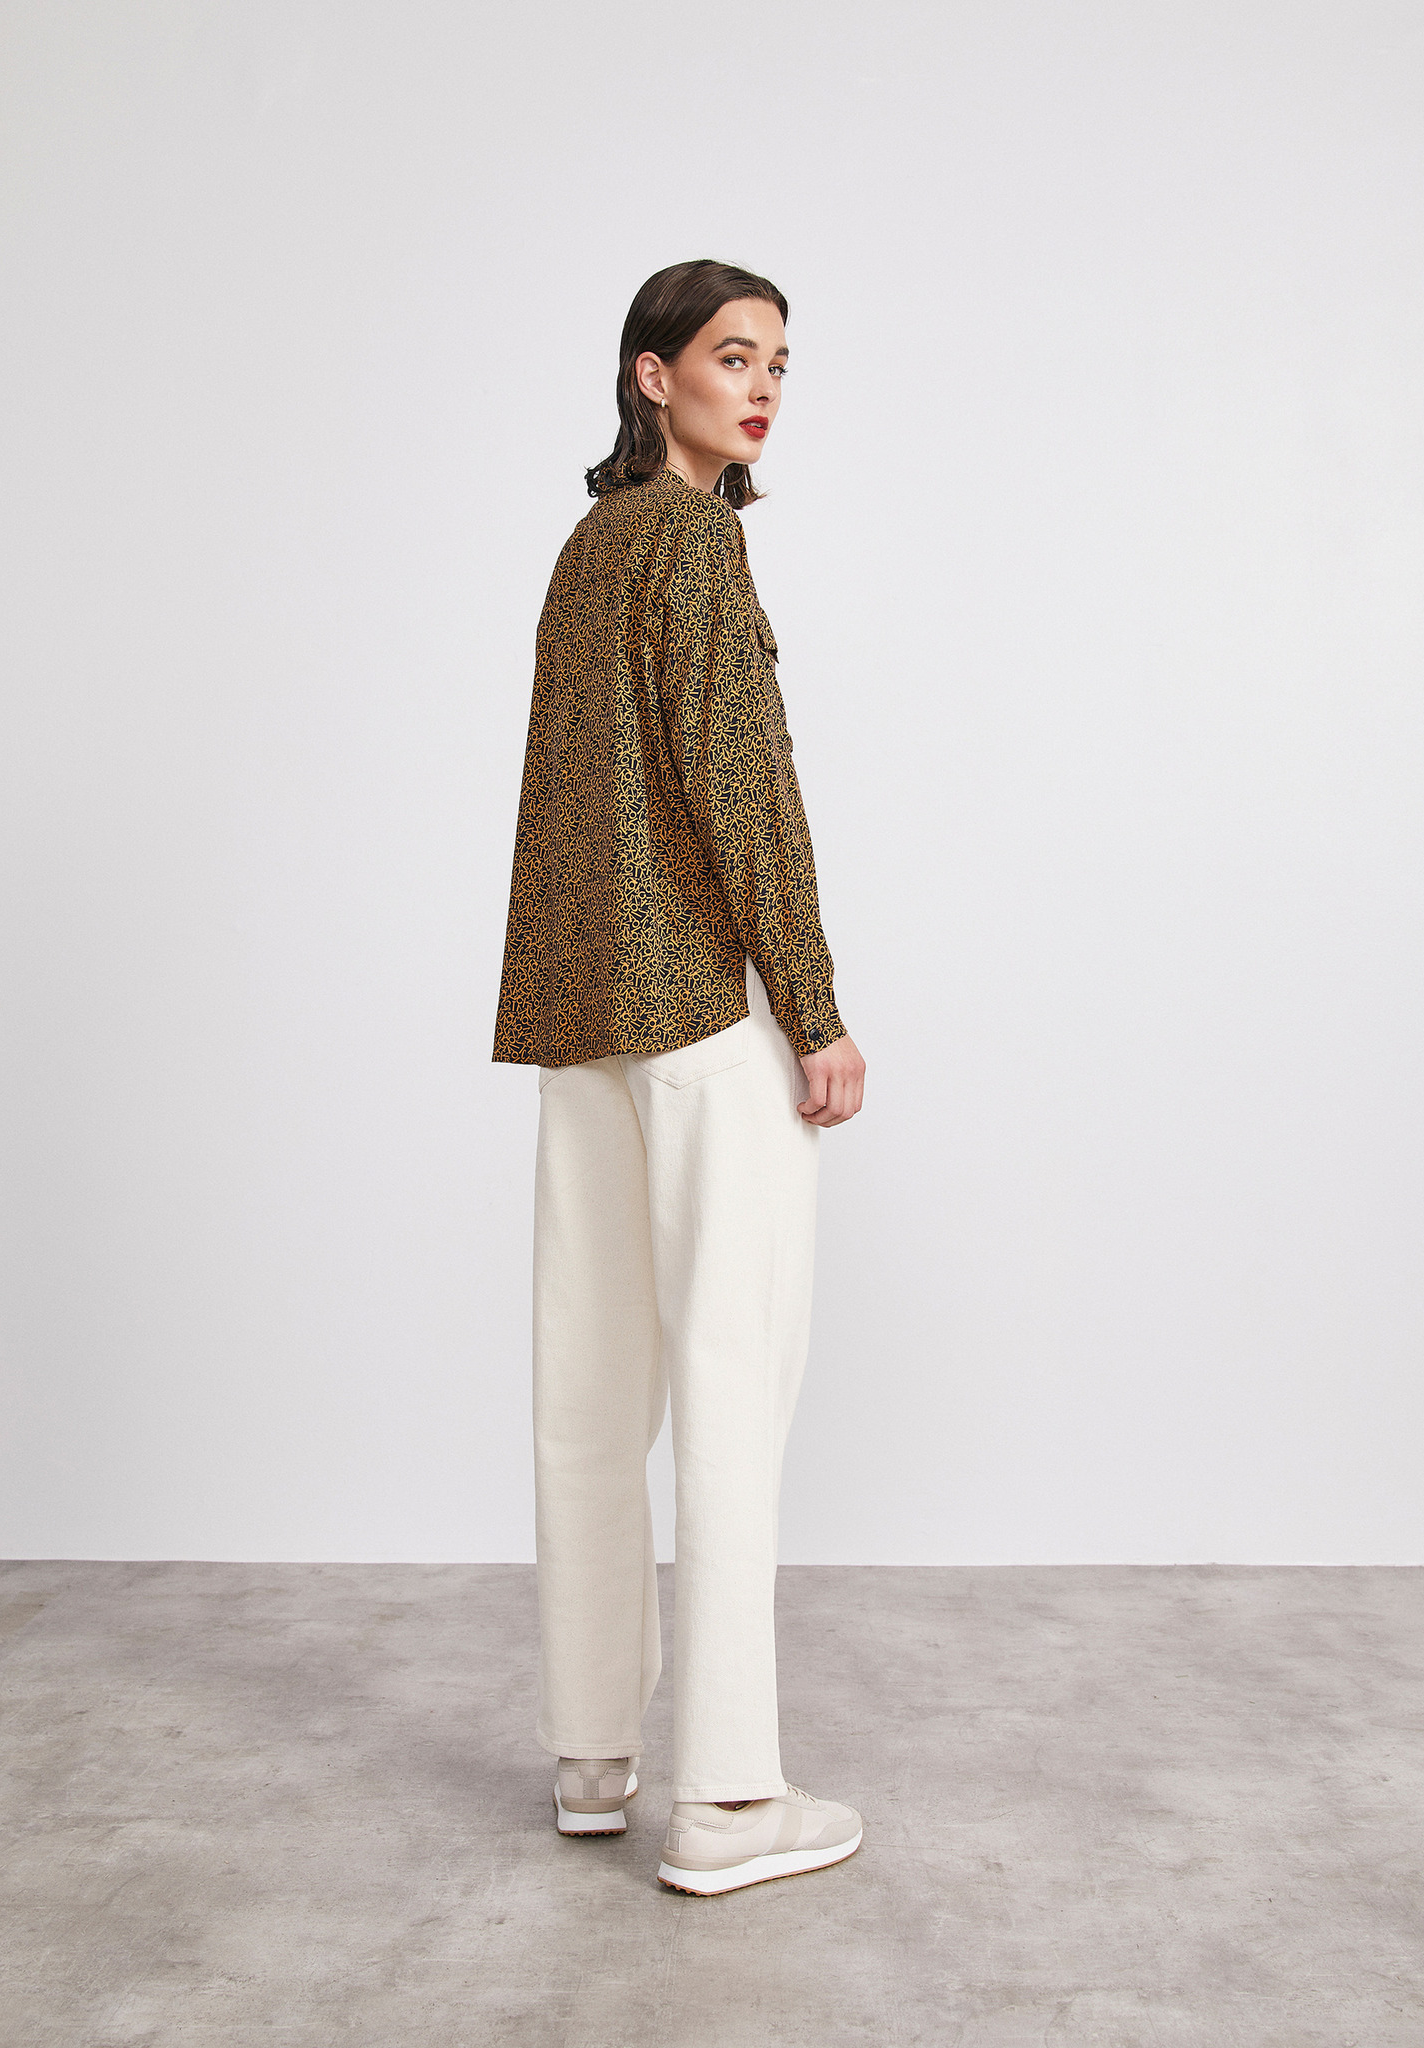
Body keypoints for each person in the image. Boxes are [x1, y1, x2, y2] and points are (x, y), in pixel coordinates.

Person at [492, 258, 865, 1896]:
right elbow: (741, 791)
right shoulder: (695, 543)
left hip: (582, 1015)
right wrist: (815, 1008)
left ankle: (593, 1755)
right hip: (702, 1016)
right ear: (653, 375)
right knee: (729, 1386)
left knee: (588, 1393)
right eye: (731, 356)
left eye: (778, 361)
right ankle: (726, 1801)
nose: (762, 386)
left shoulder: (590, 545)